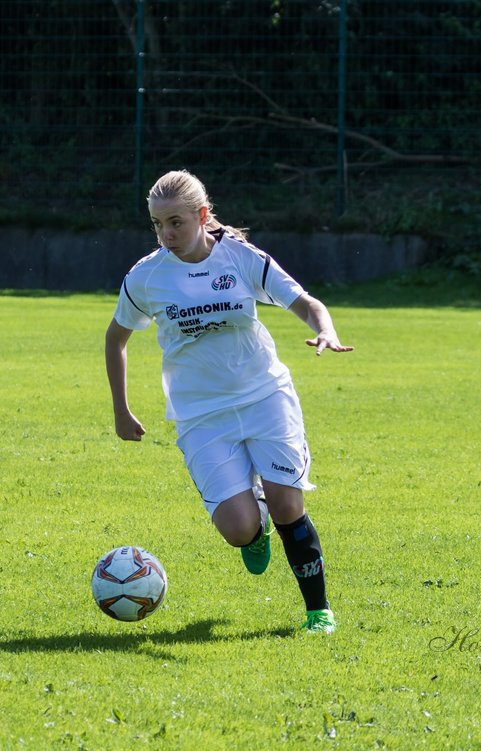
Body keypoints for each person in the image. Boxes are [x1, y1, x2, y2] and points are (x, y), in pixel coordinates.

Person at [105, 170, 354, 634]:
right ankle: (253, 520)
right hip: (201, 414)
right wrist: (120, 408)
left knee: (288, 504)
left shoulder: (240, 258)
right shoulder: (146, 277)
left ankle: (318, 611)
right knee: (239, 529)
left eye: (176, 223)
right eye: (158, 225)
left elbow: (306, 302)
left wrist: (325, 329)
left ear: (202, 216)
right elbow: (116, 339)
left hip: (265, 397)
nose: (166, 235)